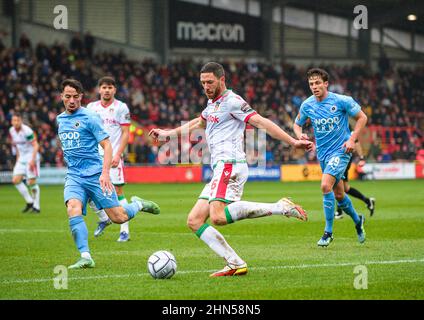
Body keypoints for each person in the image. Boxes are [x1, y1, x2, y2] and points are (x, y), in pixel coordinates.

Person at [149, 62, 311, 277]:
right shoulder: (212, 104)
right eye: (203, 83)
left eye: (210, 82)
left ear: (222, 79)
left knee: (217, 217)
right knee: (195, 221)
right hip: (220, 168)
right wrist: (167, 134)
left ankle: (280, 207)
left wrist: (292, 142)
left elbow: (261, 122)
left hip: (230, 165)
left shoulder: (233, 102)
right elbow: (198, 123)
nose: (206, 86)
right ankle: (235, 263)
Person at [57, 79, 160, 269]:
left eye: (75, 96)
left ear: (81, 97)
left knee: (119, 217)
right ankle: (85, 256)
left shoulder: (90, 117)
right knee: (73, 207)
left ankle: (138, 204)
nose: (71, 100)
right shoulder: (60, 120)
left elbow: (107, 145)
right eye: (67, 96)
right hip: (74, 176)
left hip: (96, 174)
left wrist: (105, 173)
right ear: (61, 97)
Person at [293, 68, 368, 247]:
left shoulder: (341, 101)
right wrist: (300, 135)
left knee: (325, 185)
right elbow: (297, 124)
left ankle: (328, 233)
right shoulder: (307, 105)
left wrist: (352, 139)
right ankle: (358, 221)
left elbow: (362, 117)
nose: (314, 86)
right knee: (340, 194)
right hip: (323, 154)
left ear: (326, 84)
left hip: (342, 151)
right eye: (311, 84)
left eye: (318, 83)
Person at [87, 76, 139, 242]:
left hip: (113, 156)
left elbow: (125, 133)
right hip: (94, 157)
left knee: (117, 193)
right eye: (104, 87)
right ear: (99, 89)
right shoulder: (91, 107)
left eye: (110, 87)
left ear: (114, 90)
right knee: (87, 192)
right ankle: (105, 218)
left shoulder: (121, 107)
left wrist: (118, 154)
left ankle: (124, 231)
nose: (107, 90)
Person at [9, 113, 41, 213]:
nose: (16, 122)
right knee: (15, 180)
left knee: (31, 182)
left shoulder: (27, 131)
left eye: (17, 120)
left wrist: (32, 160)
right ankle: (29, 201)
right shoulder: (12, 131)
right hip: (21, 159)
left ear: (21, 121)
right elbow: (17, 146)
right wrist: (18, 159)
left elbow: (36, 145)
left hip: (31, 157)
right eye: (14, 120)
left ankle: (36, 207)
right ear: (11, 122)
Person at [335, 141, 375, 219]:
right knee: (345, 187)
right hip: (340, 158)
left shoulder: (347, 129)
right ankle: (367, 201)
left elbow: (356, 141)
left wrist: (361, 158)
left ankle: (339, 212)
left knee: (336, 183)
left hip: (343, 159)